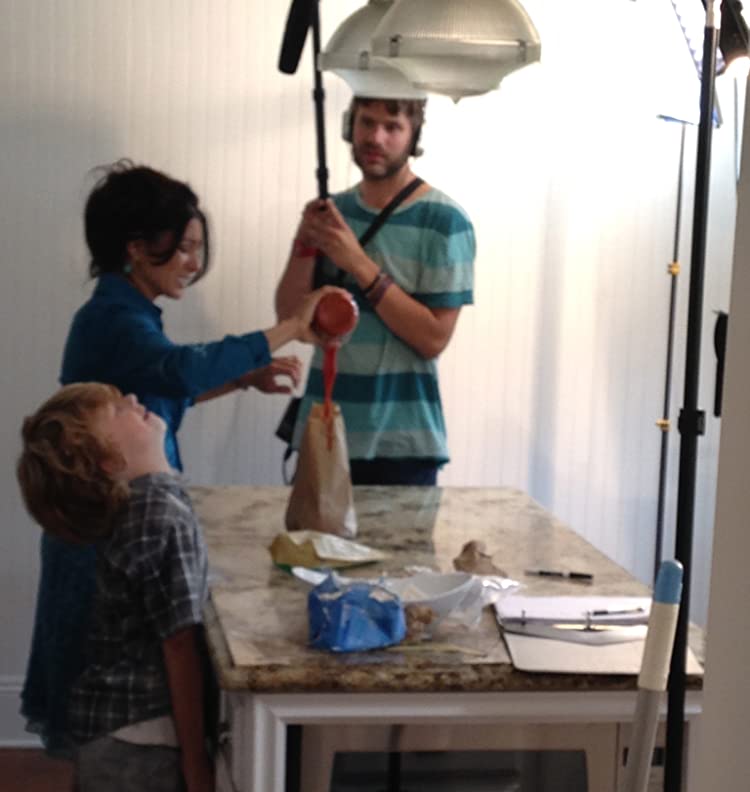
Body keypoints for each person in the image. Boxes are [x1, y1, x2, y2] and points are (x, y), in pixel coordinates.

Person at [22, 161, 330, 756]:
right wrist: (292, 326)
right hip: (97, 532)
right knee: (109, 691)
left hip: (104, 525)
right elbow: (177, 370)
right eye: (183, 248)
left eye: (196, 248)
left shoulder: (127, 315)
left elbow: (161, 386)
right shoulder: (112, 319)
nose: (193, 262)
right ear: (137, 248)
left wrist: (241, 380)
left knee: (113, 690)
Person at [17, 382, 214, 792]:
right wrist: (197, 765)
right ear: (108, 460)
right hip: (140, 750)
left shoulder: (144, 505)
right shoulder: (162, 516)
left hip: (107, 740)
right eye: (119, 409)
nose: (134, 399)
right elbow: (179, 650)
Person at [275, 96, 476, 487]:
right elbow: (289, 318)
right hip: (324, 431)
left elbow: (433, 339)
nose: (375, 138)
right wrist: (305, 243)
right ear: (350, 125)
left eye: (392, 127)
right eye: (366, 122)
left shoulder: (445, 221)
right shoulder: (332, 214)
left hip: (402, 445)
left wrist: (357, 262)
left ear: (414, 135)